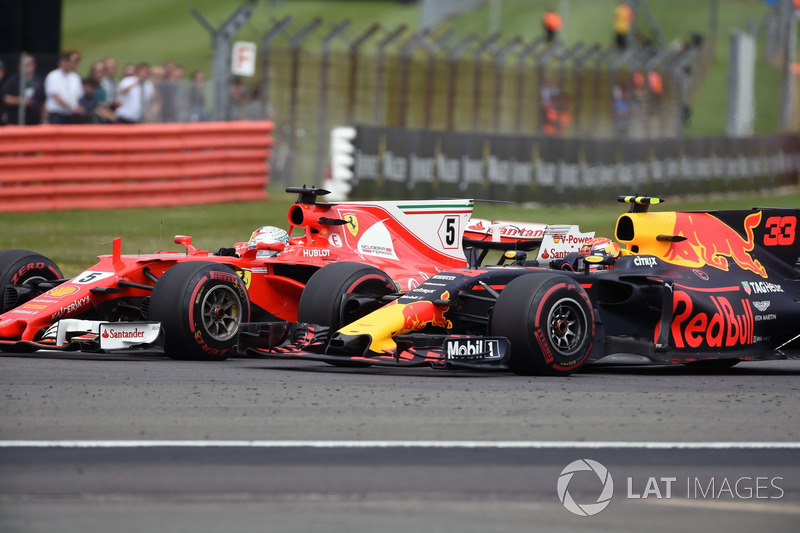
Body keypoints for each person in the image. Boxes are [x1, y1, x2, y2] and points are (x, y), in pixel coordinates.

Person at [2, 54, 46, 125]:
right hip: (15, 122)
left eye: (28, 65)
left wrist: (44, 119)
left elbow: (44, 101)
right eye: (24, 65)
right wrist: (20, 100)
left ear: (34, 66)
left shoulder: (40, 80)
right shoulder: (13, 80)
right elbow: (5, 98)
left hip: (35, 123)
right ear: (19, 67)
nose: (26, 67)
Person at [44, 51, 84, 124]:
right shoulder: (53, 76)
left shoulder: (75, 77)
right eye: (66, 61)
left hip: (71, 116)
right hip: (56, 115)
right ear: (62, 62)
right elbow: (56, 96)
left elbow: (78, 96)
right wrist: (72, 107)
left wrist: (78, 108)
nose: (68, 64)